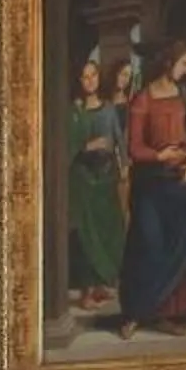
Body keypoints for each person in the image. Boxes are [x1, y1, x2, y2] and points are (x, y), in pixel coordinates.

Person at [116, 37, 186, 337]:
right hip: (152, 186)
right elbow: (134, 147)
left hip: (182, 183)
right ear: (169, 61)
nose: (185, 70)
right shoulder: (143, 99)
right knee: (149, 247)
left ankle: (169, 314)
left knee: (182, 243)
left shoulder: (182, 96)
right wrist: (159, 155)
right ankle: (135, 312)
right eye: (183, 64)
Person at [62, 58, 127, 309]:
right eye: (85, 77)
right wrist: (89, 145)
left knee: (109, 230)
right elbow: (68, 146)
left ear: (99, 79)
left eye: (93, 76)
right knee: (87, 235)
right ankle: (86, 292)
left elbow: (119, 139)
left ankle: (101, 284)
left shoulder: (109, 108)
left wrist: (123, 167)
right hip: (84, 180)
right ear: (79, 81)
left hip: (107, 178)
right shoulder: (74, 112)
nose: (90, 81)